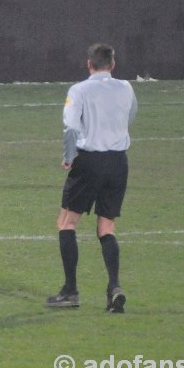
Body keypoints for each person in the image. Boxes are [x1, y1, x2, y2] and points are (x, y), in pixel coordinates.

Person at [45, 43, 138, 313]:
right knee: (106, 227)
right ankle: (114, 287)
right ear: (113, 64)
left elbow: (72, 126)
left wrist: (68, 155)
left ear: (89, 64)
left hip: (89, 160)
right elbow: (130, 116)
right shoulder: (126, 88)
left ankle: (70, 291)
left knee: (66, 222)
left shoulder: (80, 90)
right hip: (119, 162)